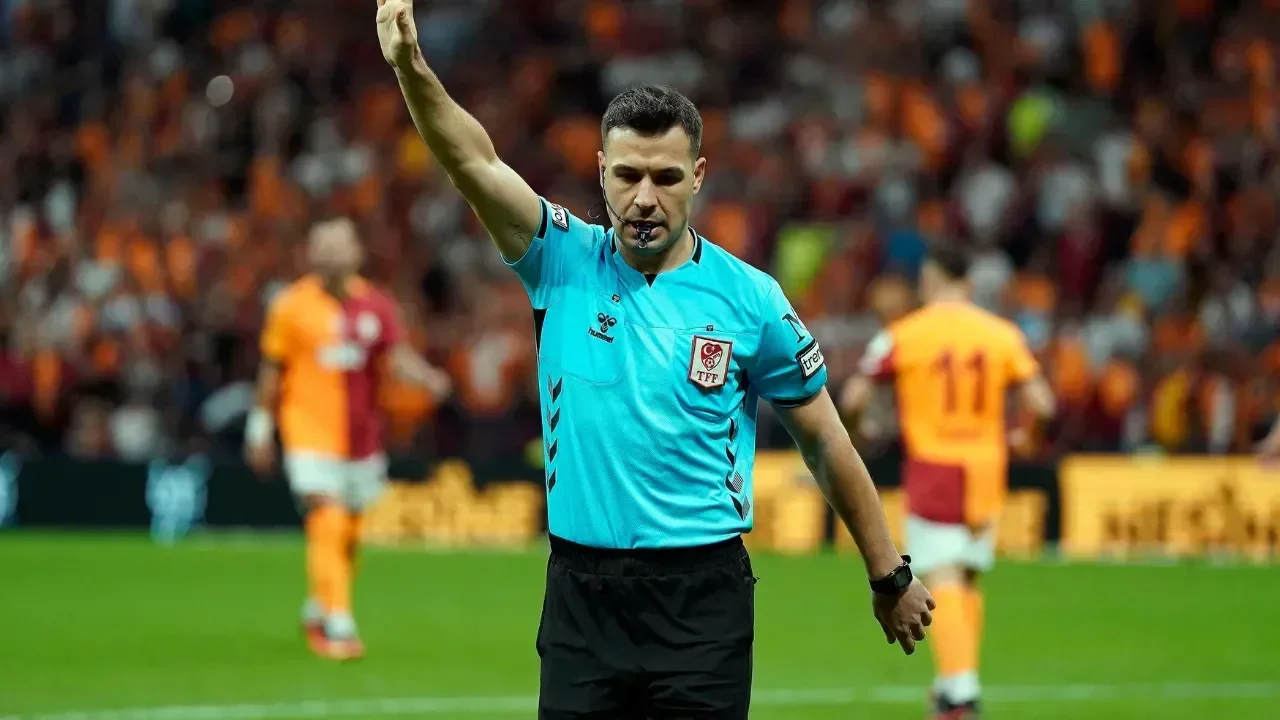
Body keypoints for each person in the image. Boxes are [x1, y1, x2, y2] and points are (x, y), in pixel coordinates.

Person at [377, 3, 934, 717]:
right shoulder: (560, 258)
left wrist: (889, 574)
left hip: (702, 600)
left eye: (666, 178)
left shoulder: (750, 299)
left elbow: (825, 440)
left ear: (698, 175)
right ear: (601, 171)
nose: (644, 199)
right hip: (582, 597)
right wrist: (411, 67)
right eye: (628, 176)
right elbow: (472, 161)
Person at [840, 245, 1056, 720]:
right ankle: (951, 685)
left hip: (934, 468)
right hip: (986, 470)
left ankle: (960, 695)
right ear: (969, 284)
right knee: (968, 577)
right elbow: (1042, 403)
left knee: (943, 576)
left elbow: (853, 396)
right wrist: (1029, 438)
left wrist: (858, 434)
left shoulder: (904, 333)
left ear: (930, 281)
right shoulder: (1002, 334)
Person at [245, 217, 451, 661]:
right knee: (329, 515)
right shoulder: (291, 306)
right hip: (307, 432)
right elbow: (271, 370)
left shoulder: (376, 305)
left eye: (338, 245)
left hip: (361, 439)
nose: (330, 254)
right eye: (322, 245)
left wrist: (427, 378)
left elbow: (397, 357)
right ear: (309, 254)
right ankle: (338, 621)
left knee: (350, 531)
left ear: (356, 253)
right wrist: (259, 427)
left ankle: (320, 602)